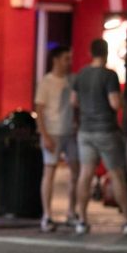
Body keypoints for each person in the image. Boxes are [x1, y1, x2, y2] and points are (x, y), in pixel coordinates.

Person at [71, 38, 127, 235]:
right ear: (106, 53)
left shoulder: (80, 75)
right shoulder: (109, 76)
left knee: (85, 175)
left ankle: (81, 219)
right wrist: (126, 104)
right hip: (106, 130)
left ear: (91, 53)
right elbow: (115, 103)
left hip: (85, 131)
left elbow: (73, 101)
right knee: (117, 175)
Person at [34, 45, 79, 232]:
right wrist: (44, 135)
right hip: (53, 131)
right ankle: (47, 214)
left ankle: (71, 211)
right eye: (65, 59)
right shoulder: (46, 82)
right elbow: (40, 110)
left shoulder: (72, 80)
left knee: (76, 172)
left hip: (70, 131)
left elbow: (76, 105)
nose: (68, 63)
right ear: (56, 60)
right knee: (49, 171)